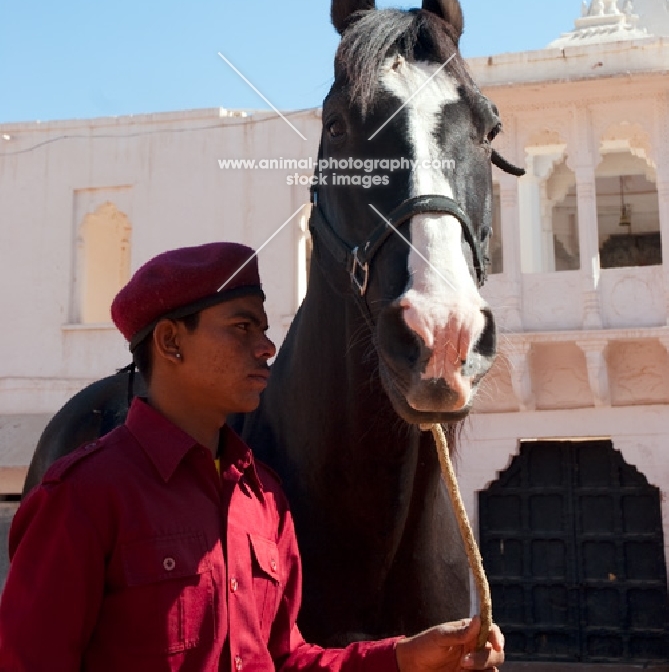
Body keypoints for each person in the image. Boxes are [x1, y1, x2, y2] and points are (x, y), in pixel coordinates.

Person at [0, 242, 504, 672]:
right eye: (243, 328)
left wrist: (402, 657)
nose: (266, 348)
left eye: (264, 330)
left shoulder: (263, 497)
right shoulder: (82, 496)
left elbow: (286, 659)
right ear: (171, 341)